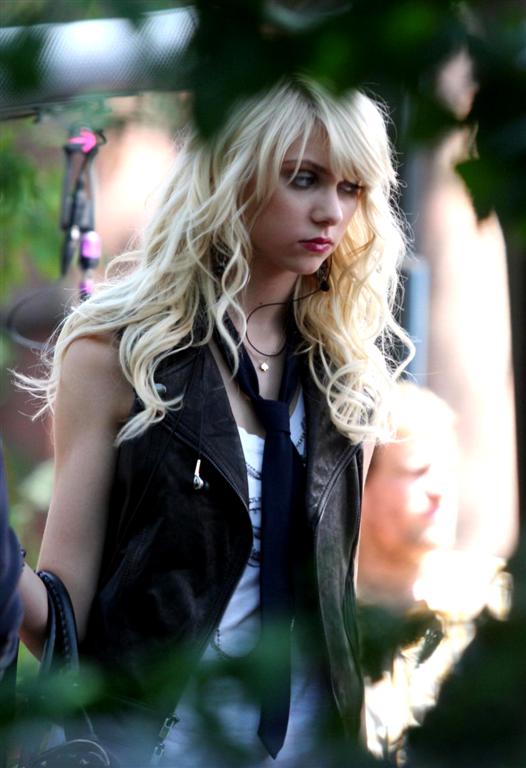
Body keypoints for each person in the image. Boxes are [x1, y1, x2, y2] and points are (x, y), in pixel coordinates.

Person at [17, 77, 412, 767]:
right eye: (304, 178)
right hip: (154, 749)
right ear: (234, 175)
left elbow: (339, 605)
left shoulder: (348, 377)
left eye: (351, 188)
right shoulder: (117, 353)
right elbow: (61, 621)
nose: (331, 211)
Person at [357, 382, 509, 761]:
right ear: (360, 486)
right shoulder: (322, 619)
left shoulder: (494, 602)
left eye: (449, 469)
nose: (441, 489)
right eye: (418, 470)